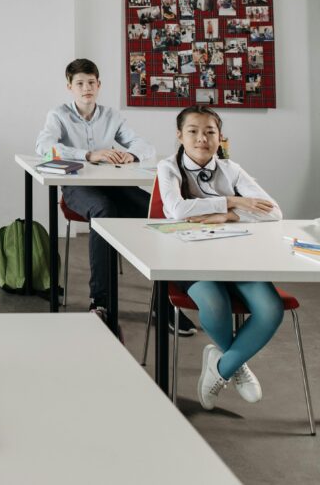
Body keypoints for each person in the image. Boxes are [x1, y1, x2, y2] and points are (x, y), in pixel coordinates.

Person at [34, 59, 196, 333]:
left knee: (161, 213)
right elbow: (44, 147)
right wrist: (88, 154)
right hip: (77, 187)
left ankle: (168, 302)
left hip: (114, 183)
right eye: (80, 83)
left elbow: (144, 145)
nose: (87, 88)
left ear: (99, 84)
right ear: (70, 87)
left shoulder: (111, 116)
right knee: (104, 213)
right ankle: (101, 303)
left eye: (91, 82)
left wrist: (130, 153)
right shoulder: (58, 115)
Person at [157, 105, 283, 410]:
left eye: (210, 132)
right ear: (179, 136)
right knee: (214, 302)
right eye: (193, 131)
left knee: (271, 309)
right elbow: (177, 210)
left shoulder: (232, 170)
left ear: (220, 136)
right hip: (189, 258)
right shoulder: (169, 167)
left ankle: (223, 366)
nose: (202, 138)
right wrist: (233, 201)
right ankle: (236, 366)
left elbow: (274, 213)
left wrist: (229, 217)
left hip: (236, 257)